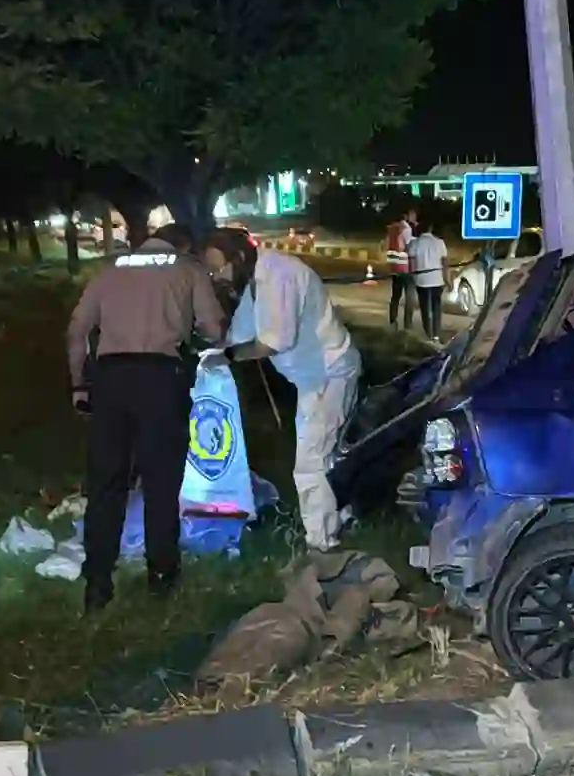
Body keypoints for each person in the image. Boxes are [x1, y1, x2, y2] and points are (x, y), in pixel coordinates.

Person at [67, 222, 226, 613]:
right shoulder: (188, 269)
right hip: (160, 380)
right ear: (183, 244)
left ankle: (98, 583)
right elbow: (213, 328)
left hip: (110, 381)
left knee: (106, 484)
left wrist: (78, 386)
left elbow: (76, 331)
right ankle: (161, 578)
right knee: (161, 483)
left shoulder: (110, 269)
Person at [216, 242, 361, 551]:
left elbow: (272, 342)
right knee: (327, 453)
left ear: (238, 257)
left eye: (219, 268)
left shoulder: (279, 275)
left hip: (328, 373)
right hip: (312, 377)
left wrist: (227, 355)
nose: (217, 276)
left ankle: (320, 543)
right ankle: (341, 515)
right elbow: (237, 336)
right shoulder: (254, 282)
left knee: (311, 460)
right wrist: (214, 352)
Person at [407, 219, 448, 342]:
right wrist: (447, 279)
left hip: (422, 280)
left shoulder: (414, 243)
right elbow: (445, 262)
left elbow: (411, 263)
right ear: (430, 228)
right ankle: (436, 334)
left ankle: (429, 334)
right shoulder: (440, 243)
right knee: (436, 308)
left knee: (425, 308)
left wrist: (413, 276)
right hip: (437, 279)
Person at [383, 207, 416, 331]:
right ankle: (408, 325)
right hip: (405, 266)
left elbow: (387, 245)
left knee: (395, 296)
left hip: (394, 266)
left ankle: (393, 321)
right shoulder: (407, 229)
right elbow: (408, 246)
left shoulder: (392, 228)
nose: (415, 217)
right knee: (410, 297)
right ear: (406, 216)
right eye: (413, 214)